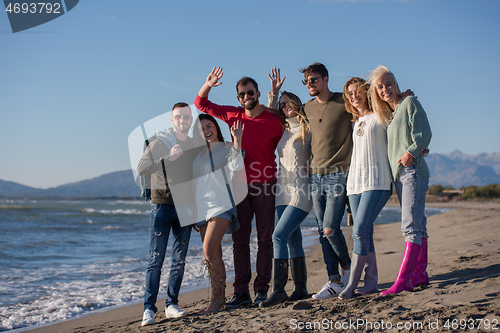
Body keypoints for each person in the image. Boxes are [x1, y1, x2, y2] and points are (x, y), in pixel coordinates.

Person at [195, 67, 283, 307]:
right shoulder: (233, 115)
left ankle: (262, 289)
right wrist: (209, 83)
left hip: (266, 184)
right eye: (242, 95)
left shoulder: (273, 120)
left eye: (250, 93)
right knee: (240, 241)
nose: (246, 97)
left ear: (257, 93)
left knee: (265, 239)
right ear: (238, 98)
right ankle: (241, 292)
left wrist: (274, 98)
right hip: (239, 188)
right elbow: (201, 103)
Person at [368, 65, 432, 295]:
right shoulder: (393, 114)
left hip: (412, 171)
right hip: (401, 175)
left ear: (396, 84)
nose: (385, 89)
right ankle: (420, 275)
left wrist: (411, 153)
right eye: (380, 87)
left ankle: (403, 280)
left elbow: (424, 133)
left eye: (388, 84)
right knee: (419, 226)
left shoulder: (410, 103)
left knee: (410, 227)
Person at [136, 103, 198, 326]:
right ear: (172, 120)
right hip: (162, 205)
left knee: (179, 260)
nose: (182, 120)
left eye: (186, 117)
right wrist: (166, 158)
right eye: (178, 117)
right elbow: (141, 168)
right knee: (156, 259)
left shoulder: (193, 143)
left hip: (186, 207)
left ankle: (171, 304)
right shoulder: (160, 141)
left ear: (190, 120)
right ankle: (148, 309)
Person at [260, 68, 312, 307]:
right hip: (281, 193)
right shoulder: (282, 129)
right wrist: (274, 93)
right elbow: (268, 114)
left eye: (288, 102)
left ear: (297, 103)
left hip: (301, 192)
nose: (284, 106)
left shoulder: (308, 129)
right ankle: (300, 288)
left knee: (278, 236)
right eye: (282, 104)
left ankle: (278, 289)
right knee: (293, 241)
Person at [300, 63, 352, 299]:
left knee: (331, 229)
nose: (309, 84)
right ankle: (334, 281)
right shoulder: (307, 107)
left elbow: (373, 100)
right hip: (315, 176)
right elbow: (283, 117)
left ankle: (349, 269)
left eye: (313, 80)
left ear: (326, 79)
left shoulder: (344, 101)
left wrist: (402, 96)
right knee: (322, 231)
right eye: (307, 81)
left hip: (339, 173)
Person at [337, 77, 393, 299]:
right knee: (364, 232)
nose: (354, 96)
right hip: (355, 184)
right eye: (349, 94)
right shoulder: (353, 122)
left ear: (367, 92)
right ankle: (371, 283)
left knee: (360, 229)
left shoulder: (382, 115)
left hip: (378, 182)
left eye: (357, 91)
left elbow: (400, 131)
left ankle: (351, 284)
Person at [192, 114, 245, 314]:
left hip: (221, 205)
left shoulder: (227, 147)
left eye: (209, 126)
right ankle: (218, 299)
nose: (206, 131)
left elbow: (237, 167)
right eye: (201, 129)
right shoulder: (198, 156)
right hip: (203, 209)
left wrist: (238, 140)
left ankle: (216, 300)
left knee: (208, 250)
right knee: (213, 255)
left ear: (215, 127)